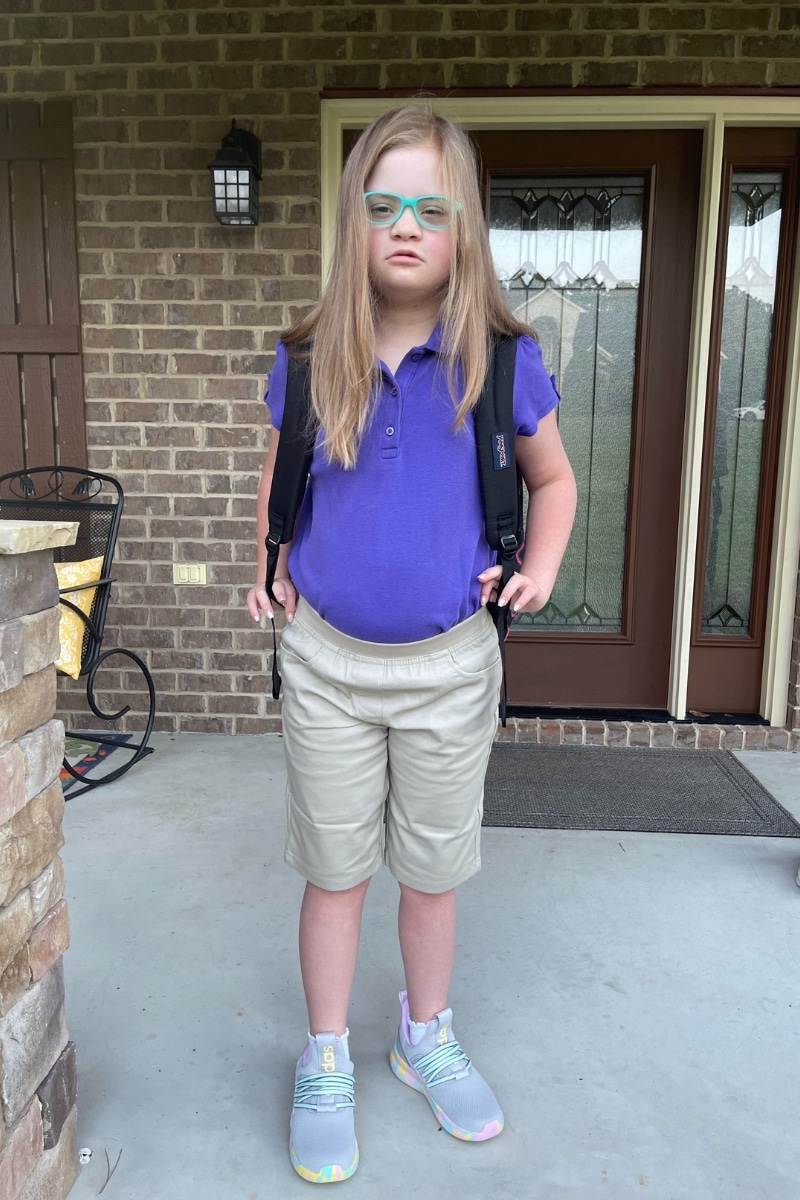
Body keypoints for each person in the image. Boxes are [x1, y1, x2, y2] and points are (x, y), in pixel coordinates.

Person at [246, 104, 577, 1184]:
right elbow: (279, 485)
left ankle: (422, 1034)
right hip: (326, 667)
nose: (404, 227)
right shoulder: (308, 358)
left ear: (464, 227)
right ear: (353, 220)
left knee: (430, 875)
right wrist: (272, 564)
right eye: (383, 205)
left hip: (448, 670)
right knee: (335, 873)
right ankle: (326, 1054)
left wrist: (537, 568)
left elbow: (553, 480)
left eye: (431, 210)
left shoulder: (503, 361)